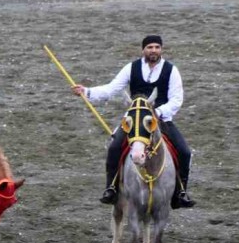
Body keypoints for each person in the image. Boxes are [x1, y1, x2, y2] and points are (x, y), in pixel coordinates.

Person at [72, 35, 196, 208]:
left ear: (161, 49)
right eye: (150, 47)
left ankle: (180, 192)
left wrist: (157, 112)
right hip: (135, 119)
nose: (154, 50)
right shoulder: (132, 68)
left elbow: (176, 99)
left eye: (157, 47)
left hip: (160, 119)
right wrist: (87, 91)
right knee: (114, 147)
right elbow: (112, 88)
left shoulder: (171, 70)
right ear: (143, 50)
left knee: (184, 152)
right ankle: (111, 188)